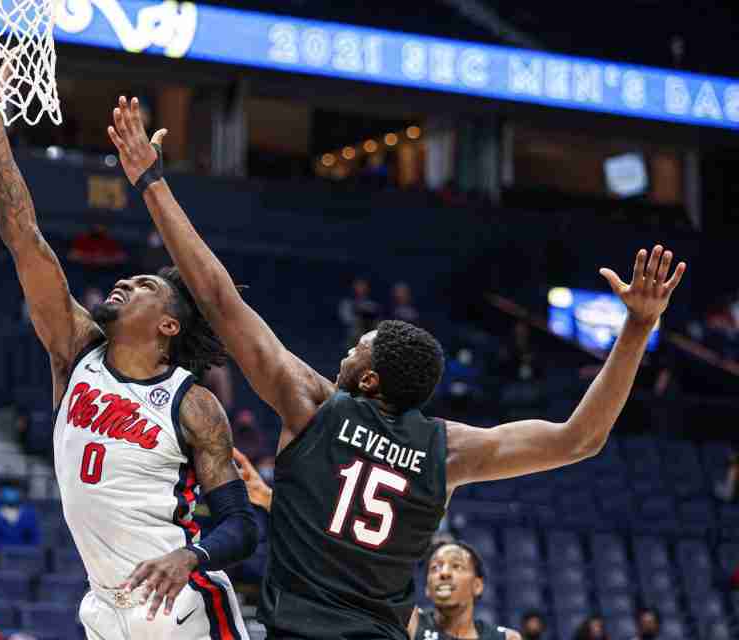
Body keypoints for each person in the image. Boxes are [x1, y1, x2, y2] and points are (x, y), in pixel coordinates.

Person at [109, 94, 686, 640]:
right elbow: (580, 439)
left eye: (358, 347)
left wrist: (152, 183)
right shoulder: (448, 450)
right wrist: (636, 328)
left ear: (370, 379)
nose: (345, 351)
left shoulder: (311, 406)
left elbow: (216, 297)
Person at [0, 35, 257, 639]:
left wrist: (191, 556)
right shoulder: (76, 352)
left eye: (143, 285)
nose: (123, 282)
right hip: (102, 608)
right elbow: (23, 237)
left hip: (182, 605)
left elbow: (240, 528)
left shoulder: (194, 404)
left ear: (169, 325)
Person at [407, 541, 519, 640]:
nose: (444, 573)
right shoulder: (411, 624)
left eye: (456, 566)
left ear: (477, 586)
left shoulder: (506, 638)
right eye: (435, 567)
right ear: (427, 588)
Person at [0, 483, 40, 547]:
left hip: (23, 554)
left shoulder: (30, 513)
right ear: (0, 492)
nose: (12, 492)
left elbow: (34, 539)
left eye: (15, 489)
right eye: (9, 488)